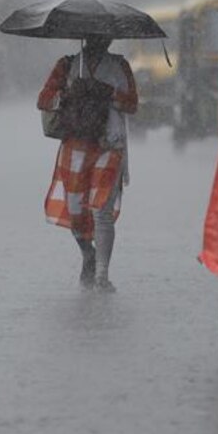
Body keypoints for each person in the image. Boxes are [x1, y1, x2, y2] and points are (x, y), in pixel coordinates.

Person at [37, 35, 138, 292]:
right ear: (84, 37)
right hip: (76, 146)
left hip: (109, 145)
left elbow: (132, 103)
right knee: (76, 211)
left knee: (102, 212)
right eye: (93, 35)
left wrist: (107, 94)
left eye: (103, 36)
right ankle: (88, 253)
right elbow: (44, 99)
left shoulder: (119, 66)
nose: (99, 41)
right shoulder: (68, 65)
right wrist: (69, 94)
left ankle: (102, 275)